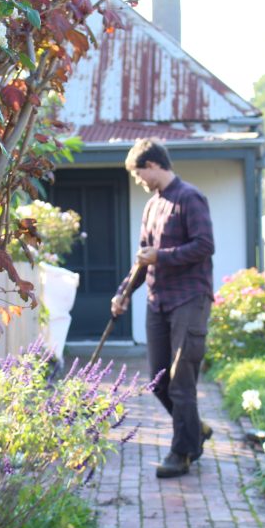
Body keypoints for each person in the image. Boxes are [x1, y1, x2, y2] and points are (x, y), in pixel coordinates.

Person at [111, 139, 215, 479]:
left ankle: (182, 453)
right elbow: (144, 258)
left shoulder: (190, 198)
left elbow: (204, 245)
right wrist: (124, 293)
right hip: (158, 302)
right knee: (158, 382)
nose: (138, 180)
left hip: (190, 300)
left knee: (180, 382)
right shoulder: (151, 207)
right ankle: (194, 429)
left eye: (139, 173)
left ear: (154, 164)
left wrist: (163, 256)